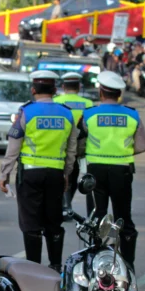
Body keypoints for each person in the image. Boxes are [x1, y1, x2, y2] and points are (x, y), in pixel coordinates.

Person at [0, 70, 77, 271]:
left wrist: (5, 174)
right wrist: (66, 173)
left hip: (30, 174)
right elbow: (71, 149)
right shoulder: (66, 113)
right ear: (54, 90)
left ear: (33, 89)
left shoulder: (27, 112)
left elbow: (14, 145)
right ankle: (56, 266)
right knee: (54, 221)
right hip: (55, 174)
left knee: (30, 223)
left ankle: (34, 269)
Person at [77, 70, 145, 268]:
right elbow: (143, 146)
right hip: (122, 171)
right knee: (123, 218)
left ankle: (95, 261)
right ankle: (127, 264)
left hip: (95, 172)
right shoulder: (132, 115)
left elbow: (78, 143)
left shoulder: (89, 114)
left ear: (100, 92)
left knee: (97, 218)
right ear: (119, 94)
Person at [54, 72, 93, 220]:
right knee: (74, 175)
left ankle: (65, 204)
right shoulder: (88, 104)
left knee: (63, 175)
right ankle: (67, 204)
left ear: (63, 87)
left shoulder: (56, 101)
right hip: (80, 147)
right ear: (79, 87)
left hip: (60, 146)